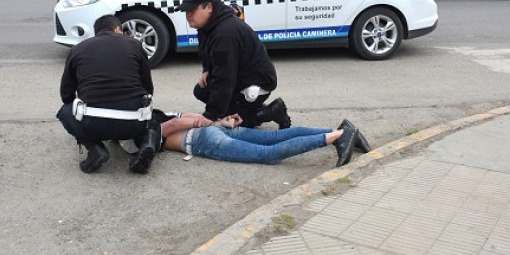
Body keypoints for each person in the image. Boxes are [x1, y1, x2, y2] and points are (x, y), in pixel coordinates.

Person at [56, 15, 161, 174]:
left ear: (96, 33)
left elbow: (66, 94)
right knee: (151, 114)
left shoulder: (77, 50)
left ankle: (95, 148)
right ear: (118, 29)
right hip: (132, 123)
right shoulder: (135, 45)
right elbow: (148, 89)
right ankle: (148, 144)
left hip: (92, 124)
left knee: (65, 111)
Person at [178, 0, 291, 129]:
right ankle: (251, 109)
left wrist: (211, 115)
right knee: (201, 91)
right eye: (186, 10)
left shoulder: (225, 34)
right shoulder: (208, 25)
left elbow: (225, 78)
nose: (188, 14)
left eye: (192, 10)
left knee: (233, 124)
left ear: (209, 7)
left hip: (256, 83)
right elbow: (207, 52)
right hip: (240, 76)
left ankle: (273, 112)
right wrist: (206, 69)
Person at [158, 112, 371, 167]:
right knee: (274, 137)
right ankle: (338, 129)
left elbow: (173, 126)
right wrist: (219, 121)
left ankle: (338, 136)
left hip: (203, 141)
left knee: (267, 155)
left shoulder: (143, 128)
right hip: (213, 129)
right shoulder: (158, 111)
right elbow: (183, 116)